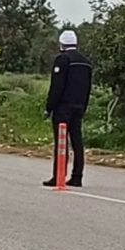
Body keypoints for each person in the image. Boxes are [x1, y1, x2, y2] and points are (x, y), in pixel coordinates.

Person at [43, 29, 92, 187]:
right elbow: (88, 87)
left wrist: (49, 107)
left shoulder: (62, 60)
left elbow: (57, 86)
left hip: (63, 108)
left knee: (61, 143)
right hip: (79, 106)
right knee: (77, 141)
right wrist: (84, 106)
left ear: (62, 44)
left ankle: (58, 176)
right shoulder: (85, 62)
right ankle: (77, 176)